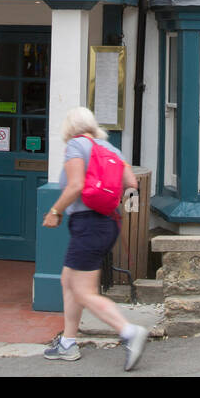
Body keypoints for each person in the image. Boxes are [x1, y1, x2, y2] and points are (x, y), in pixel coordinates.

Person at [40, 107, 149, 370]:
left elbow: (76, 185)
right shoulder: (111, 149)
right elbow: (131, 182)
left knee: (83, 291)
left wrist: (55, 211)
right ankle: (68, 342)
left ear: (70, 127)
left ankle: (129, 332)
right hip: (107, 223)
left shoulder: (77, 145)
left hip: (88, 225)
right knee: (69, 280)